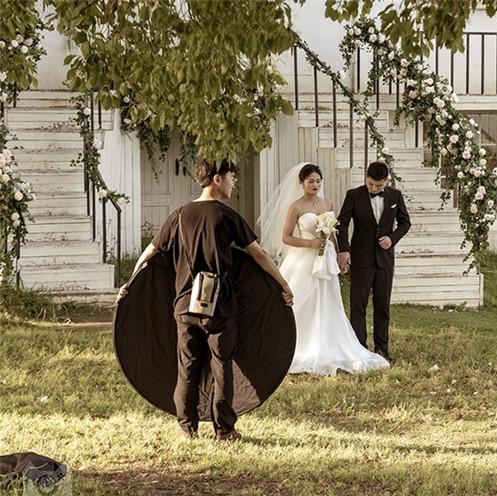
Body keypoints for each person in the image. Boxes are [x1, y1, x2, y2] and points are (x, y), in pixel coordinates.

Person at [117, 159, 293, 441]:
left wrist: (130, 284)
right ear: (217, 179)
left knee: (187, 367)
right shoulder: (228, 217)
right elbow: (259, 254)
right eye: (232, 177)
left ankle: (187, 428)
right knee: (221, 366)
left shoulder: (178, 216)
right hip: (219, 305)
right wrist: (283, 283)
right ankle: (224, 430)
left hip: (185, 304)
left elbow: (149, 254)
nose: (234, 183)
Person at [260, 162, 389, 375]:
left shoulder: (327, 204)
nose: (315, 185)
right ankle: (297, 343)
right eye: (310, 181)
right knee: (302, 301)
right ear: (302, 183)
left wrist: (339, 255)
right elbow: (286, 237)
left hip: (325, 260)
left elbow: (332, 234)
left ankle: (328, 342)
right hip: (304, 260)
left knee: (328, 302)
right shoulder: (296, 207)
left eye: (318, 181)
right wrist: (310, 243)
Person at [336, 161, 411, 362]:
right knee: (358, 306)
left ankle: (382, 350)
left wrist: (392, 239)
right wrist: (344, 249)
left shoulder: (395, 196)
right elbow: (342, 223)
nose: (374, 188)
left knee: (382, 306)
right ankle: (359, 350)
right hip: (361, 258)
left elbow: (405, 223)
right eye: (370, 184)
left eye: (378, 185)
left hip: (385, 260)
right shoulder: (353, 195)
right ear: (366, 178)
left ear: (386, 181)